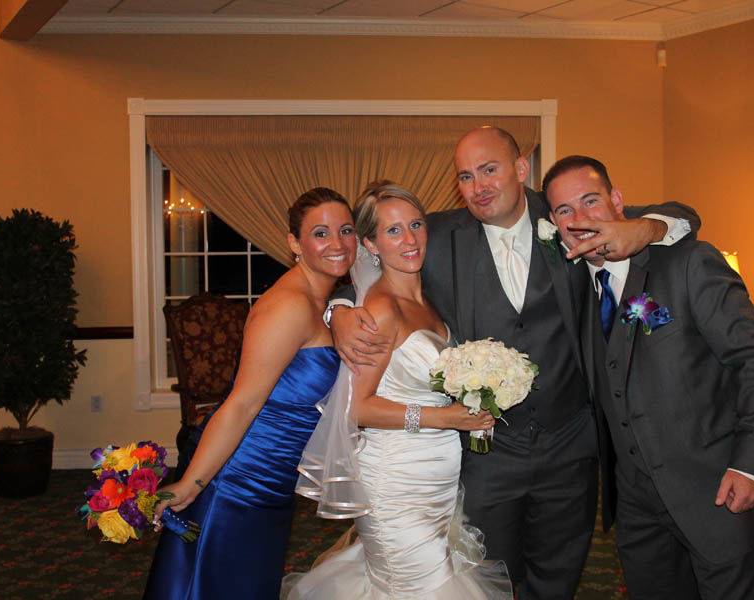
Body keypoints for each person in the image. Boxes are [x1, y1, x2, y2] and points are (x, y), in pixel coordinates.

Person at [330, 127, 701, 598]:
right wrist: (338, 312)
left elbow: (682, 215)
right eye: (466, 176)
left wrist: (641, 229)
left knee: (559, 576)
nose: (479, 186)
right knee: (486, 580)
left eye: (490, 169)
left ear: (521, 169)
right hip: (487, 455)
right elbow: (368, 273)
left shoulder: (567, 215)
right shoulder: (436, 235)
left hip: (570, 446)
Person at [543, 155, 754, 600]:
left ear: (620, 202)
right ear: (554, 223)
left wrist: (752, 465)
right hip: (638, 508)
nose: (579, 220)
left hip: (716, 489)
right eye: (564, 211)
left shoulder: (689, 262)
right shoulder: (578, 285)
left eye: (590, 201)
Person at [286, 183, 513, 599]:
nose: (409, 240)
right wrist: (441, 417)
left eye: (416, 225)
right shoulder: (380, 310)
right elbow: (356, 408)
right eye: (393, 231)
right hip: (395, 480)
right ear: (370, 242)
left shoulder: (429, 301)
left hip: (437, 479)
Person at [143, 188, 357, 600]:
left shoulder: (321, 298)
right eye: (320, 233)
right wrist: (192, 483)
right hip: (240, 479)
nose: (337, 244)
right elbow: (242, 403)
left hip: (274, 478)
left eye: (345, 230)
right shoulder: (288, 306)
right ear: (295, 243)